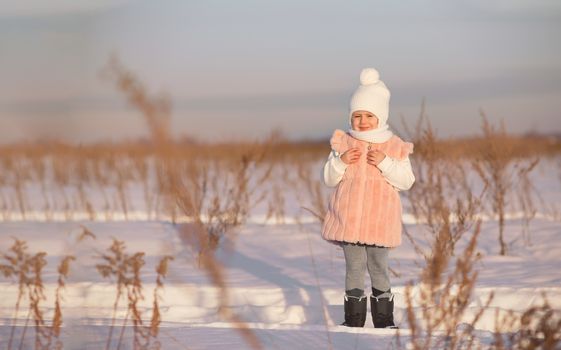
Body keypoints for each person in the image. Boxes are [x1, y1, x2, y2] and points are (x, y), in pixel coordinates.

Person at [321, 67, 415, 328]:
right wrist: (340, 162)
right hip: (349, 220)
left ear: (380, 116)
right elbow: (328, 178)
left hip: (379, 222)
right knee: (353, 269)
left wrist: (386, 163)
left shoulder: (393, 146)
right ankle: (353, 320)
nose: (362, 121)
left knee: (378, 268)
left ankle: (384, 321)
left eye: (368, 115)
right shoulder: (344, 144)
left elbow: (407, 181)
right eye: (357, 115)